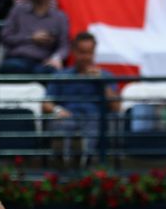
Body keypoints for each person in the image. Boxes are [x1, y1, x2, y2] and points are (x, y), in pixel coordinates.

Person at [42, 32, 120, 168]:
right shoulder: (61, 76)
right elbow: (46, 104)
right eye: (82, 52)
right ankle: (66, 164)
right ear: (74, 52)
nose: (86, 57)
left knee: (96, 126)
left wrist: (101, 83)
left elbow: (116, 106)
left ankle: (85, 163)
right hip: (68, 116)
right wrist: (58, 109)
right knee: (60, 125)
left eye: (90, 53)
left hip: (93, 119)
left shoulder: (106, 76)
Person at [0, 0, 69, 74]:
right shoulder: (17, 11)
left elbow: (64, 46)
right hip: (18, 59)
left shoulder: (60, 17)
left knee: (51, 71)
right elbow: (5, 37)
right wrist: (30, 38)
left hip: (44, 62)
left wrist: (56, 58)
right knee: (12, 67)